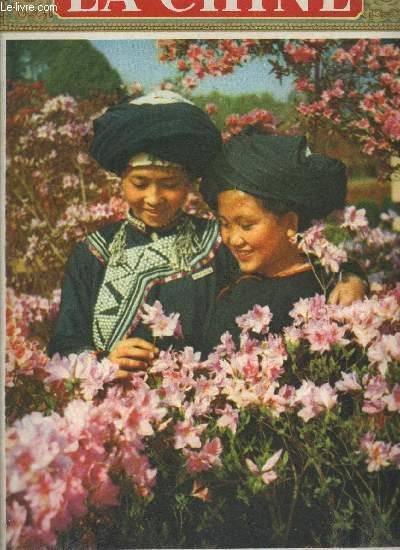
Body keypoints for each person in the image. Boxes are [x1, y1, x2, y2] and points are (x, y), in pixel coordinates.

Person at [49, 94, 366, 374]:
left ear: (188, 185)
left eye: (170, 185)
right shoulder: (91, 252)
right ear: (120, 181)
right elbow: (64, 343)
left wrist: (351, 277)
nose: (154, 198)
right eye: (140, 183)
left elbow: (291, 262)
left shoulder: (218, 241)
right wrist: (105, 361)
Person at [200, 128, 367, 352]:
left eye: (247, 225)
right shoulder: (230, 268)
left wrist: (353, 278)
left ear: (290, 224)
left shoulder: (326, 286)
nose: (234, 239)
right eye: (225, 224)